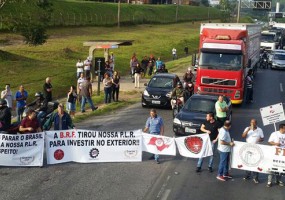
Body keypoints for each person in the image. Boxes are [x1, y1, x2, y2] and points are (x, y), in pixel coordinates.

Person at [242, 119, 264, 183]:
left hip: (256, 149)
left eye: (254, 123)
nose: (252, 124)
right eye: (251, 122)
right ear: (250, 123)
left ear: (256, 123)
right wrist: (248, 130)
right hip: (248, 148)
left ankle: (255, 177)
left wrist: (260, 140)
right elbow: (243, 136)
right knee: (248, 162)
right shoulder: (247, 128)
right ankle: (247, 174)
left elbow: (263, 138)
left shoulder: (260, 130)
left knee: (255, 162)